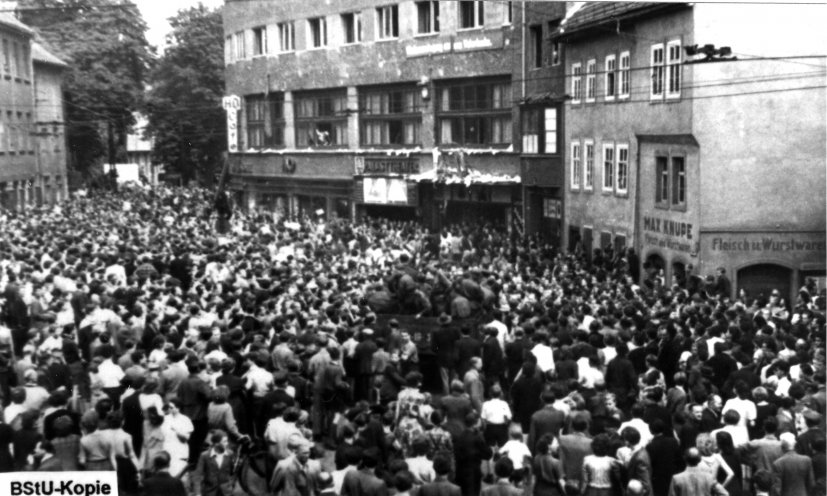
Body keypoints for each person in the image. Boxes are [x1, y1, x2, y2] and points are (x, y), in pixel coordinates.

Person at [454, 412, 492, 496]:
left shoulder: (460, 436)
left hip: (460, 471)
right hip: (473, 472)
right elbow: (488, 454)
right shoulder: (477, 437)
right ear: (475, 423)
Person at [192, 430, 236, 496]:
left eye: (227, 441)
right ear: (216, 443)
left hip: (226, 492)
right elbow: (197, 476)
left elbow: (232, 472)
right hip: (210, 492)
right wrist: (198, 493)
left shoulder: (230, 454)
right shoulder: (205, 456)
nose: (227, 443)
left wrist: (230, 485)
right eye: (224, 441)